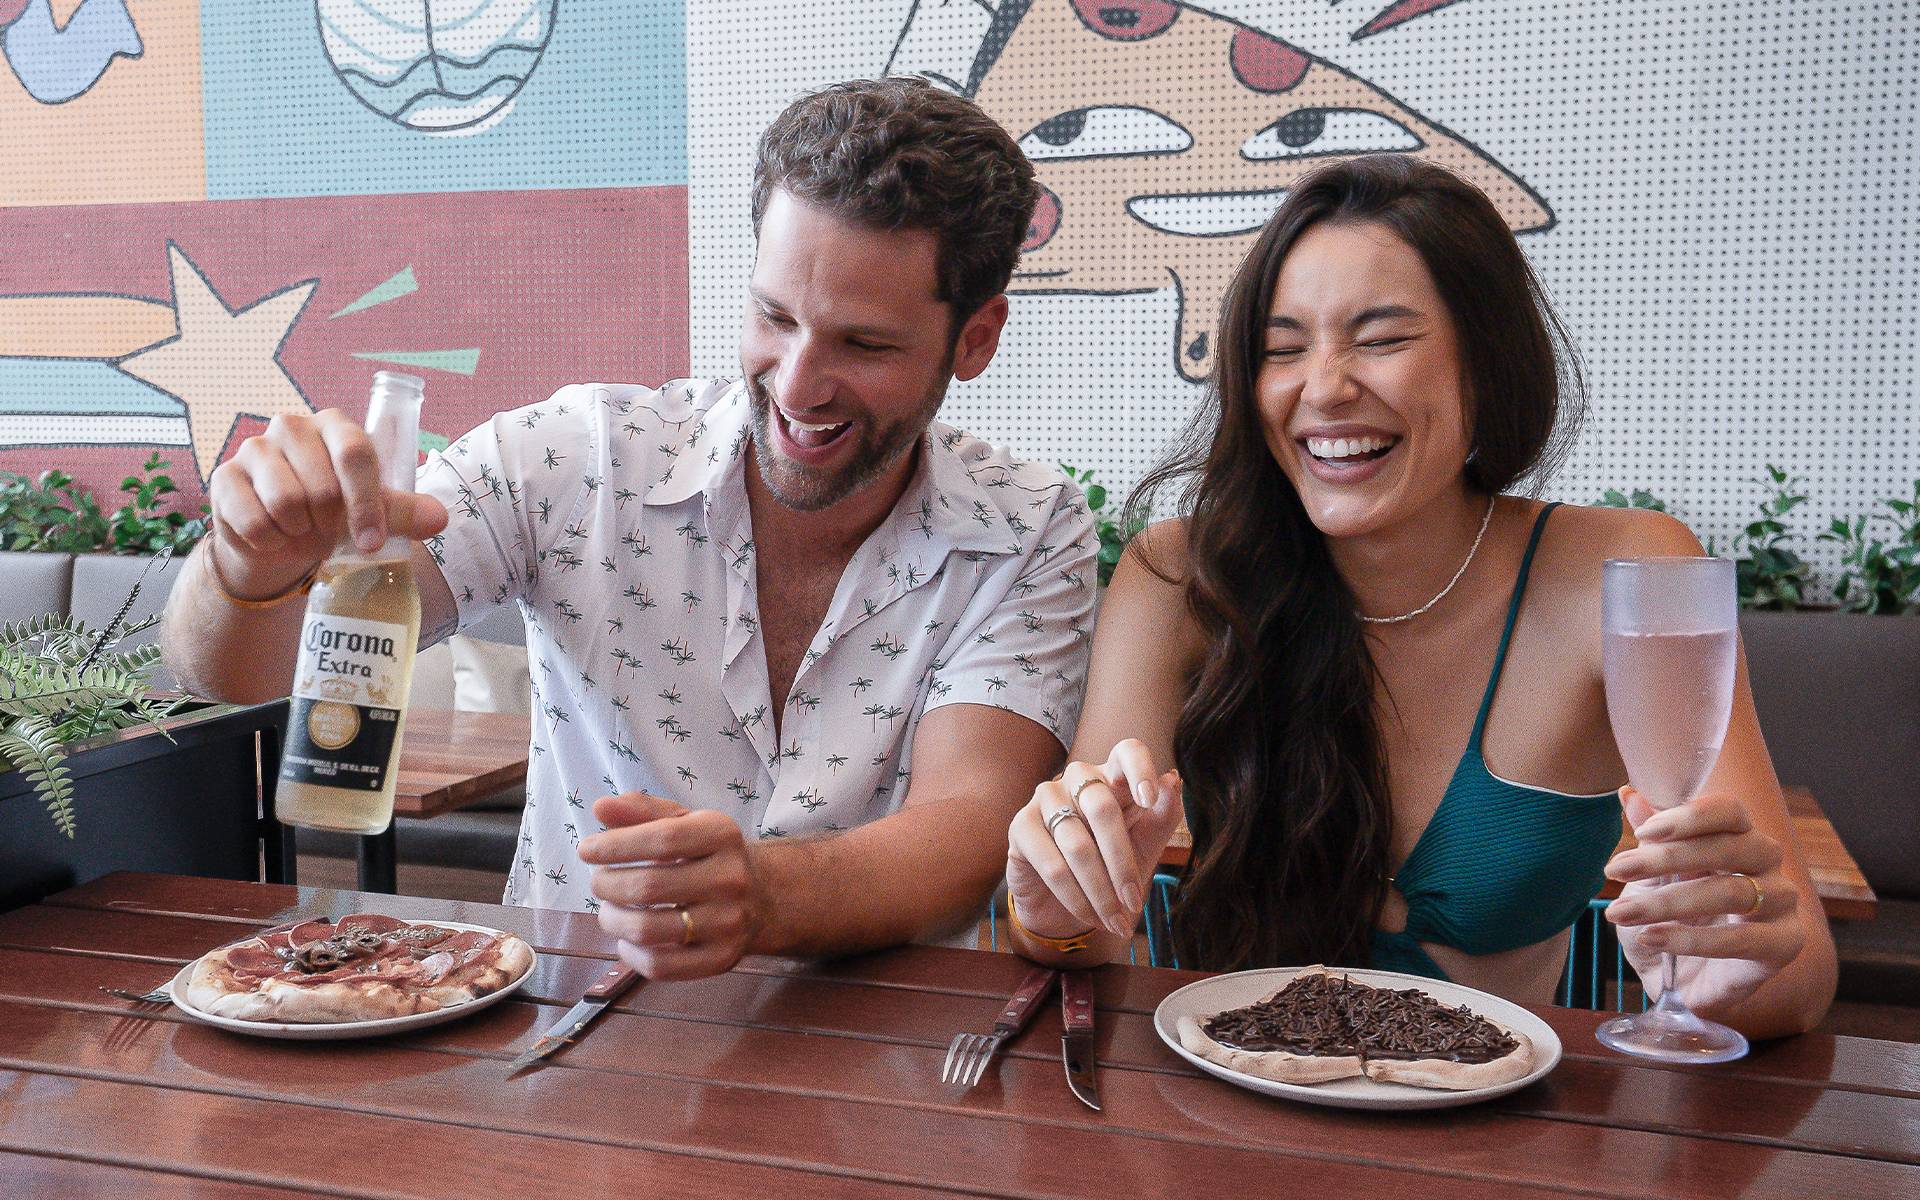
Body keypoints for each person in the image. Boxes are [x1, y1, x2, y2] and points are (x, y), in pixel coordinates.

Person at [162, 78, 1096, 981]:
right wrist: (245, 564)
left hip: (882, 1051)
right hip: (562, 1034)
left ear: (976, 338)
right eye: (774, 317)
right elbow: (237, 680)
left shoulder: (1026, 527)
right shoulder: (573, 459)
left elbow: (968, 826)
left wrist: (762, 896)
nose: (798, 383)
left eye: (865, 343)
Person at [1003, 155, 1835, 1037]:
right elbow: (1084, 931)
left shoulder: (1624, 569)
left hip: (1498, 1111)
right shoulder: (1179, 579)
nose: (1324, 387)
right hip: (1233, 1092)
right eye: (1282, 349)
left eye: (1381, 339)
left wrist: (1735, 971)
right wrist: (1052, 914)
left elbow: (1799, 973)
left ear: (1485, 360)